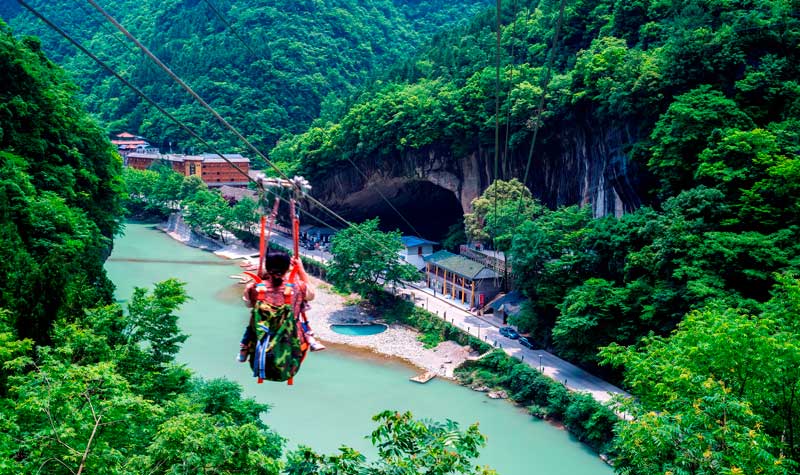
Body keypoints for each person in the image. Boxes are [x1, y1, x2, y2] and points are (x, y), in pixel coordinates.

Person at [238, 249, 324, 363]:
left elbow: (248, 304)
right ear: (287, 267)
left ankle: (244, 350)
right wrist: (300, 270)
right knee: (301, 325)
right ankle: (311, 340)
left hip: (262, 337)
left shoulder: (253, 287)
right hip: (291, 339)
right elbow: (311, 295)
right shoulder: (298, 287)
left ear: (267, 267)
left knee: (251, 326)